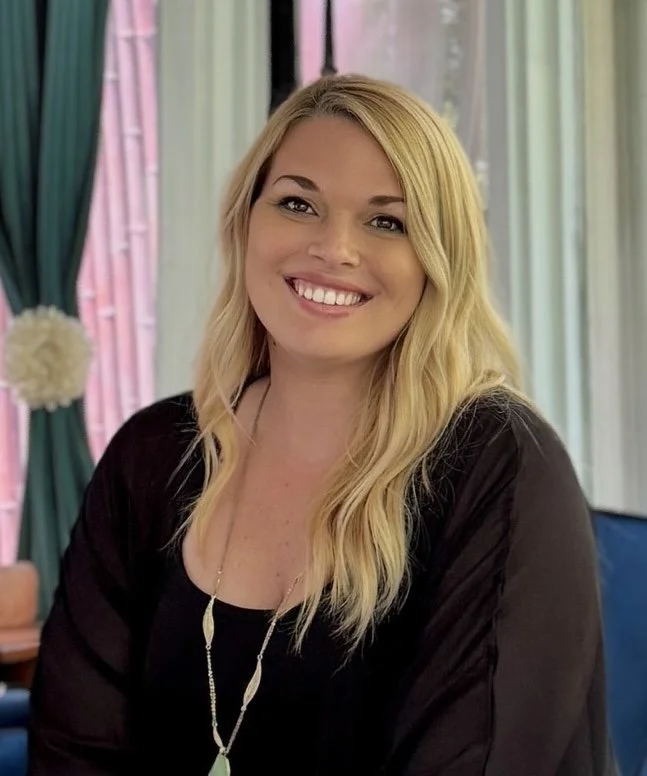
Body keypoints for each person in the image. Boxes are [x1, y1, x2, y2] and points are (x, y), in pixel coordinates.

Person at [28, 74, 614, 776]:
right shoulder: (151, 455)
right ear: (245, 223)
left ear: (438, 259)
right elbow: (72, 752)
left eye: (386, 221)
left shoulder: (502, 465)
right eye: (298, 203)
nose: (335, 249)